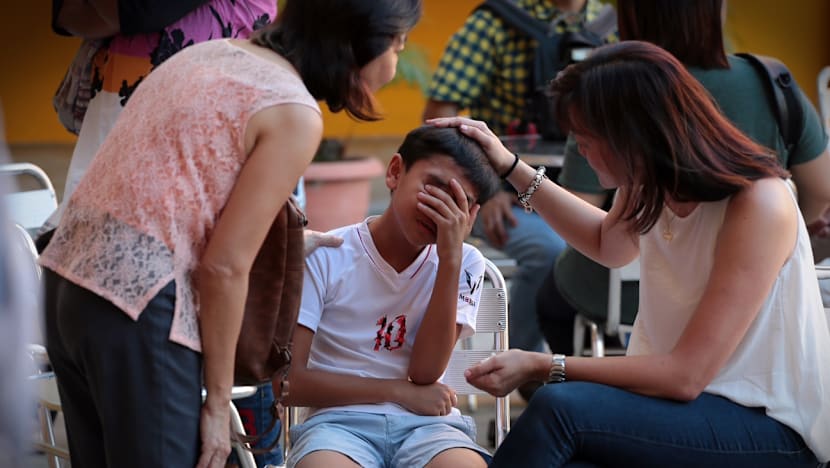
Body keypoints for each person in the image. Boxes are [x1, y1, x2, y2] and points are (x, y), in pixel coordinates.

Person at [38, 1, 423, 467]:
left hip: (67, 281)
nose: (394, 66)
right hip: (139, 304)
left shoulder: (208, 54)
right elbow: (224, 265)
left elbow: (174, 194)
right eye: (397, 46)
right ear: (358, 41)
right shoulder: (292, 111)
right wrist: (219, 404)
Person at [430, 40, 830, 467]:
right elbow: (607, 244)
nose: (578, 147)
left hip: (771, 428)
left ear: (636, 134)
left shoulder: (759, 203)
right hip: (683, 414)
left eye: (586, 135)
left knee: (556, 408)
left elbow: (684, 376)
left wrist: (543, 364)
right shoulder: (650, 184)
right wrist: (510, 166)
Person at [537, 0, 830, 357]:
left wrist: (519, 178)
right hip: (760, 304)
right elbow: (821, 192)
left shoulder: (614, 93)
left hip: (621, 295)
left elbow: (585, 210)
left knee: (552, 302)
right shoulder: (771, 82)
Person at [422, 0, 615, 399]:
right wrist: (484, 187)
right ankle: (522, 372)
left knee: (632, 246)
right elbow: (441, 111)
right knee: (550, 249)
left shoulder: (610, 21)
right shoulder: (496, 21)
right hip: (506, 195)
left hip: (598, 189)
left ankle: (605, 371)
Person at [284, 125, 500, 467]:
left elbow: (426, 372)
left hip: (429, 427)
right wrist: (395, 391)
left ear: (470, 216)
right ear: (395, 172)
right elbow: (288, 383)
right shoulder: (328, 255)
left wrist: (450, 260)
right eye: (433, 187)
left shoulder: (465, 263)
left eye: (458, 201)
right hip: (337, 427)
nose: (439, 209)